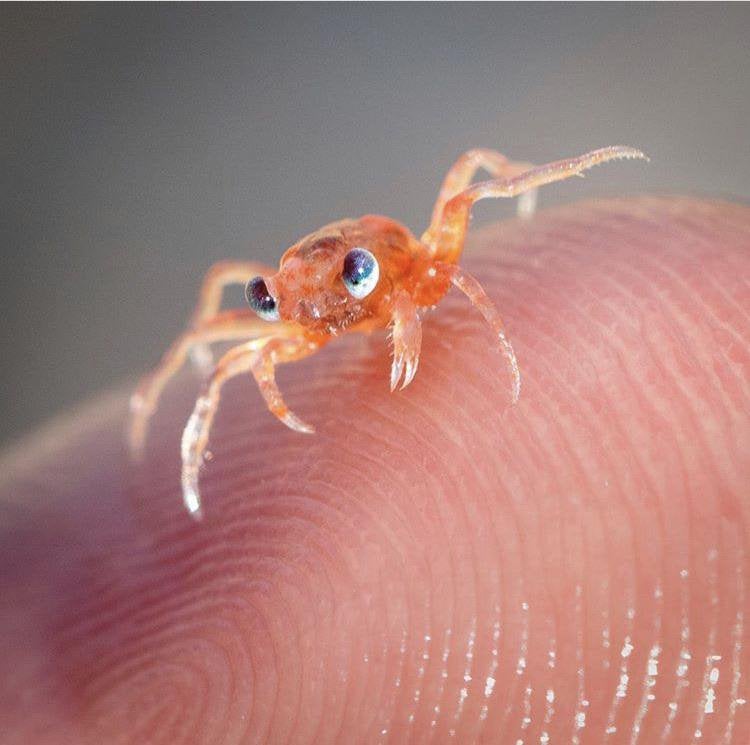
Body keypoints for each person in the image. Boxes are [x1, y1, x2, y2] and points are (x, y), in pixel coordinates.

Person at [2, 196, 748, 744]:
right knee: (227, 360)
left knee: (466, 181)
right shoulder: (299, 311)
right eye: (270, 300)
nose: (307, 313)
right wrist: (176, 386)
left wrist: (488, 331)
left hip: (394, 272)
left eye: (349, 280)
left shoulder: (411, 270)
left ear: (365, 270)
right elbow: (247, 326)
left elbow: (466, 191)